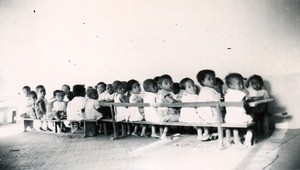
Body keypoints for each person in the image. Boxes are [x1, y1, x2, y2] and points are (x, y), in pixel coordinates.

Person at [224, 73, 253, 146]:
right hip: (240, 118)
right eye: (239, 83)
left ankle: (236, 139)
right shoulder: (240, 94)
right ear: (231, 86)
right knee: (252, 119)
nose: (242, 85)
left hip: (229, 119)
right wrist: (245, 93)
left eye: (242, 83)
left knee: (235, 125)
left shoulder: (227, 94)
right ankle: (248, 137)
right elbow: (245, 104)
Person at [196, 70, 221, 140]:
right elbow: (216, 101)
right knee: (223, 117)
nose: (212, 80)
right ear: (202, 81)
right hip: (208, 114)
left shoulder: (205, 90)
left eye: (213, 78)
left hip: (204, 114)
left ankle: (206, 133)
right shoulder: (208, 90)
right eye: (209, 79)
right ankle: (217, 132)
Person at [156, 74, 180, 139]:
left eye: (170, 82)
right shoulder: (164, 92)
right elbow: (171, 101)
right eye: (166, 83)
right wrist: (179, 102)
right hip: (166, 114)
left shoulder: (164, 92)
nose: (169, 84)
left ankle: (163, 134)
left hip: (165, 114)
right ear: (161, 85)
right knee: (183, 117)